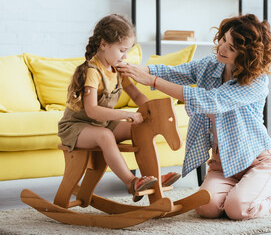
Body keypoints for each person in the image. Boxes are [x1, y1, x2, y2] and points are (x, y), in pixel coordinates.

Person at [118, 14, 271, 219]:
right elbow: (176, 72)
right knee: (206, 208)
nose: (222, 48)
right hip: (222, 165)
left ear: (246, 55)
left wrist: (151, 81)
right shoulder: (210, 65)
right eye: (223, 39)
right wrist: (137, 70)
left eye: (231, 48)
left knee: (237, 209)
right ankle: (242, 192)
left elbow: (208, 100)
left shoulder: (256, 82)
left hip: (257, 162)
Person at [58, 14, 180, 202]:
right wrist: (126, 115)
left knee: (141, 129)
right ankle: (132, 182)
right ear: (104, 44)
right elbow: (92, 111)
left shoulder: (118, 69)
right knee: (105, 136)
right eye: (122, 50)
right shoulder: (92, 71)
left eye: (127, 51)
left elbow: (136, 94)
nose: (125, 56)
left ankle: (153, 177)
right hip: (77, 127)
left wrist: (150, 111)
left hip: (102, 124)